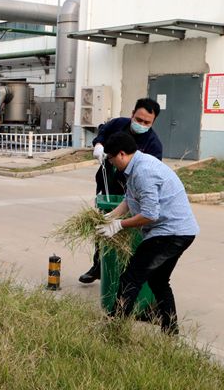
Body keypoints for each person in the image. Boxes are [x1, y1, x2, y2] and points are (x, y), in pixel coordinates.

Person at [96, 132, 198, 334]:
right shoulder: (136, 165)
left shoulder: (144, 171)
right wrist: (110, 217)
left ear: (122, 154)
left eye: (111, 158)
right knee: (158, 281)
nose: (111, 163)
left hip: (170, 233)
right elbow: (129, 199)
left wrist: (119, 225)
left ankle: (114, 329)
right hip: (177, 231)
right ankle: (170, 332)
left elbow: (150, 214)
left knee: (131, 278)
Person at [79, 97, 163, 283]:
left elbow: (153, 175)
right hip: (108, 183)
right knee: (104, 224)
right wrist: (99, 145)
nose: (141, 124)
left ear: (153, 122)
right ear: (132, 114)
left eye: (147, 122)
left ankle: (125, 271)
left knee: (127, 231)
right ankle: (98, 266)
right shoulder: (118, 124)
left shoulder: (153, 145)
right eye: (138, 119)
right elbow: (103, 131)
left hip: (132, 190)